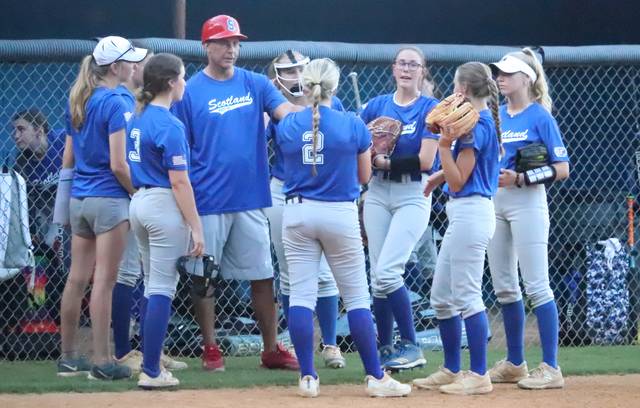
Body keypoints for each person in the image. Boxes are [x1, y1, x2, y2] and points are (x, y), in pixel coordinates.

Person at [276, 57, 411, 398]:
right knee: (356, 298)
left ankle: (307, 377)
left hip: (297, 212)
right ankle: (376, 378)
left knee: (302, 295)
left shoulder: (288, 124)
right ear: (334, 88)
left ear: (303, 87)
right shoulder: (352, 123)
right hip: (339, 212)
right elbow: (364, 177)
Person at [172, 15, 300, 371]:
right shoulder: (191, 90)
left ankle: (271, 348)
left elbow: (284, 113)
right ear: (206, 47)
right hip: (208, 199)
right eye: (223, 42)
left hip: (251, 197)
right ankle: (210, 348)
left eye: (235, 43)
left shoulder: (255, 83)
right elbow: (181, 145)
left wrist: (313, 116)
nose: (231, 49)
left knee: (262, 274)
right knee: (203, 277)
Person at [57, 35, 147, 380]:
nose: (134, 66)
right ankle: (102, 361)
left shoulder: (80, 97)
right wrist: (137, 193)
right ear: (115, 67)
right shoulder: (117, 100)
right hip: (109, 200)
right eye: (130, 61)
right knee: (105, 282)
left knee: (77, 278)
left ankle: (69, 357)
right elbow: (119, 164)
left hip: (79, 199)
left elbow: (69, 157)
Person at [413, 62, 501, 395]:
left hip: (472, 214)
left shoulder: (475, 126)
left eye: (454, 86)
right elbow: (459, 175)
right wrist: (440, 173)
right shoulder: (474, 122)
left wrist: (444, 148)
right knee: (441, 297)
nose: (452, 92)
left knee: (466, 295)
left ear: (462, 91)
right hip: (464, 212)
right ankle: (452, 369)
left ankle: (479, 373)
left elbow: (458, 179)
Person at [486, 48, 570, 390]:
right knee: (504, 285)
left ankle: (551, 367)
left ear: (526, 78)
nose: (500, 78)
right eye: (498, 73)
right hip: (496, 203)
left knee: (536, 284)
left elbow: (562, 169)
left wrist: (521, 178)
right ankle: (515, 363)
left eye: (507, 73)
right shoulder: (496, 114)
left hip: (527, 203)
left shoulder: (540, 117)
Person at [127, 53, 203, 389]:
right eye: (183, 77)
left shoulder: (137, 115)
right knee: (161, 288)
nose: (185, 82)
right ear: (171, 82)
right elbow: (179, 182)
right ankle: (152, 371)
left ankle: (152, 362)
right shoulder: (169, 123)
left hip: (139, 201)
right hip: (161, 204)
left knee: (151, 286)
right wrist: (196, 227)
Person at [264, 49, 345, 369]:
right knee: (289, 275)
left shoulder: (332, 104)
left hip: (324, 193)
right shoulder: (274, 109)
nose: (296, 76)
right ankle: (299, 344)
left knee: (325, 275)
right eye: (288, 71)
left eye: (300, 69)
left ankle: (330, 343)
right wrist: (270, 102)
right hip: (284, 191)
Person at [360, 46, 439, 371]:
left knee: (388, 270)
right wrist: (366, 149)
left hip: (412, 192)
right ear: (393, 69)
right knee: (378, 277)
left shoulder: (430, 108)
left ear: (422, 71)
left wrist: (381, 159)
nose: (407, 68)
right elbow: (357, 144)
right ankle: (386, 347)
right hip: (378, 192)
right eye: (402, 63)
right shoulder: (376, 105)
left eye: (414, 64)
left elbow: (424, 161)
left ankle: (411, 344)